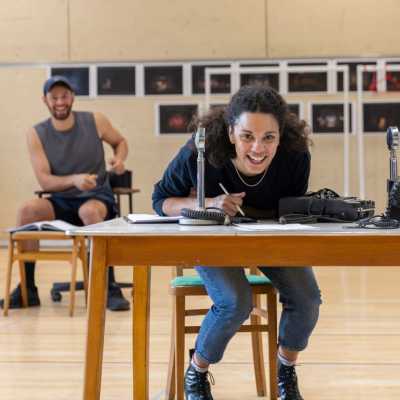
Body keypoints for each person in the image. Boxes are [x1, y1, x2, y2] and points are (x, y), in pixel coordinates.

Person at [152, 85, 322, 400]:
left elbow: (289, 208)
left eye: (268, 137)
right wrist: (210, 204)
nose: (258, 148)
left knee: (308, 298)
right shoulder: (198, 150)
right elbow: (161, 199)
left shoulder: (296, 156)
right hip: (213, 239)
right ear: (231, 133)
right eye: (247, 136)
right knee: (235, 301)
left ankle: (285, 370)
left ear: (280, 135)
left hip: (267, 237)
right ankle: (197, 372)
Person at [0, 76, 130, 312]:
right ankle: (27, 289)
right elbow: (44, 180)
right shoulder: (36, 133)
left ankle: (108, 287)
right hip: (61, 199)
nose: (60, 102)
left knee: (89, 211)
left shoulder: (95, 120)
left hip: (96, 197)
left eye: (64, 96)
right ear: (45, 100)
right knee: (27, 211)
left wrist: (119, 159)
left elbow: (120, 141)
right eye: (54, 97)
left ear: (72, 98)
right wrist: (74, 180)